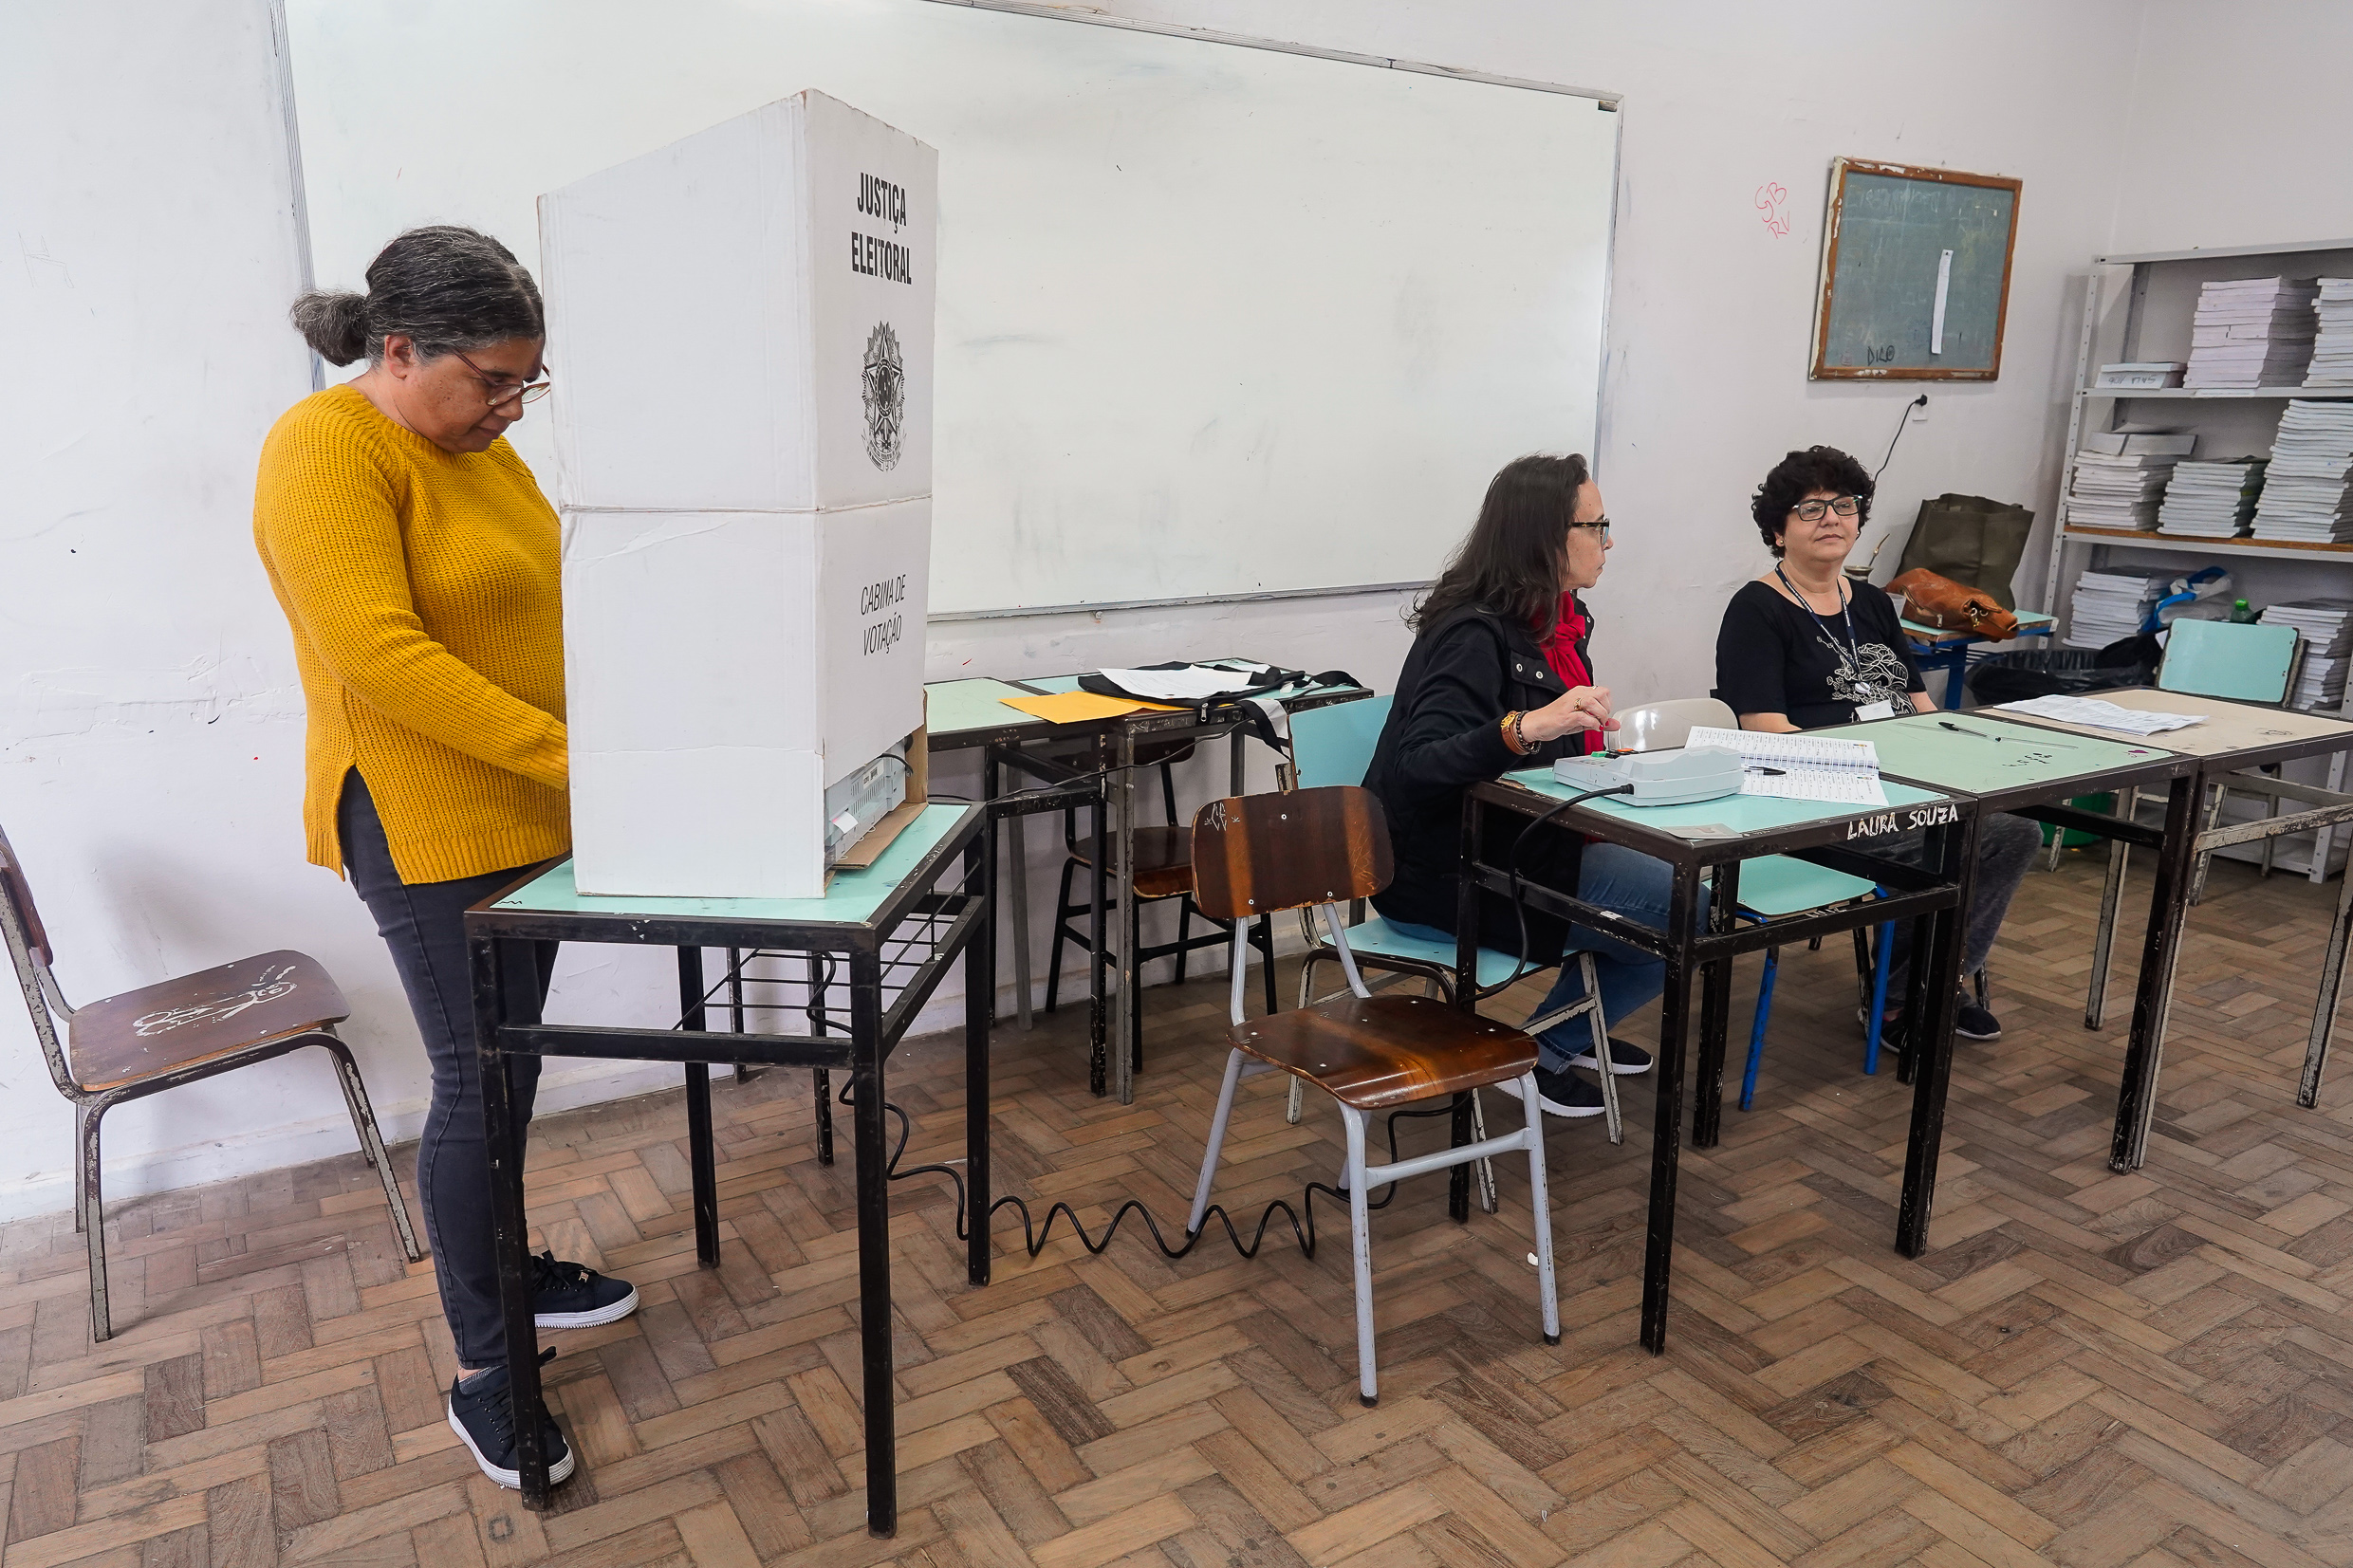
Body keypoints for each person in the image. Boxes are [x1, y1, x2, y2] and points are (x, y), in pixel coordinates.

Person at [254, 226, 633, 1491]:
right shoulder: (326, 446)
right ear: (402, 349)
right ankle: (487, 1372)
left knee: (509, 1076)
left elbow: (548, 605)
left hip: (531, 807)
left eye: (530, 382)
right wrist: (580, 759)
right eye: (493, 380)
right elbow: (380, 656)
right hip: (426, 824)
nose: (512, 408)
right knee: (475, 1088)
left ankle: (509, 1271)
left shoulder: (483, 453)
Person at [1363, 452, 1678, 1120]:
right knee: (1686, 912)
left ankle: (1570, 1029)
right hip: (1446, 869)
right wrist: (1524, 728)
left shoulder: (1558, 620)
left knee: (1680, 899)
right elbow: (1417, 767)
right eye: (1596, 526)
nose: (1609, 542)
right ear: (1544, 537)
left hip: (1524, 844)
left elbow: (1551, 746)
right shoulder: (1473, 633)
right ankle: (1544, 1049)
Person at [1714, 444, 2042, 1043]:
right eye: (1811, 509)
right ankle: (1903, 1000)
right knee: (1968, 844)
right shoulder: (1756, 610)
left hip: (1902, 782)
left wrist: (1959, 750)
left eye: (1844, 506)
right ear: (1778, 530)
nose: (1832, 519)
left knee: (2010, 832)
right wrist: (1872, 766)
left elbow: (1918, 703)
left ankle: (1922, 985)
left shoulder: (1868, 602)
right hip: (1819, 799)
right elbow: (1764, 731)